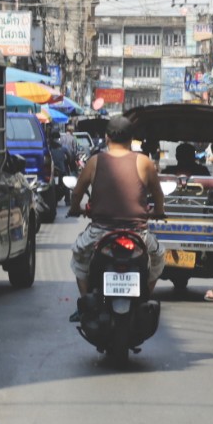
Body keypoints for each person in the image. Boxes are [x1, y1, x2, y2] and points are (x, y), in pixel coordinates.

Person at [66, 115, 167, 297]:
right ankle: (145, 297)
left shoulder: (95, 161)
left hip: (100, 232)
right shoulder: (144, 162)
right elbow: (158, 195)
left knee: (79, 260)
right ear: (131, 139)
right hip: (138, 234)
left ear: (107, 137)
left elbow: (76, 194)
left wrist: (75, 209)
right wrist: (158, 212)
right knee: (158, 259)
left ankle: (85, 303)